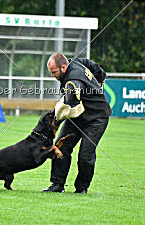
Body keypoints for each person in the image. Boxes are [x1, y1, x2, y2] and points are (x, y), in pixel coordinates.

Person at [42, 53, 112, 194]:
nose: (52, 75)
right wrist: (101, 76)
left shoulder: (73, 80)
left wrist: (55, 120)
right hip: (77, 116)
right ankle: (57, 184)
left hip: (96, 118)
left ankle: (82, 187)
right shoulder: (75, 62)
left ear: (63, 67)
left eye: (54, 72)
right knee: (61, 147)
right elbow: (89, 62)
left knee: (86, 154)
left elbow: (71, 97)